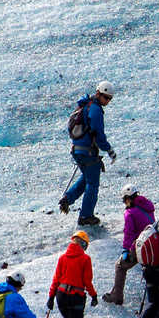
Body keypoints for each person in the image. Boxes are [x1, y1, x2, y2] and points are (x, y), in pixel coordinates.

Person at [60, 80, 116, 227]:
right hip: (88, 152)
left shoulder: (85, 106)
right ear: (98, 93)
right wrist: (108, 149)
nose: (107, 101)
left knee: (86, 178)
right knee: (93, 184)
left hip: (77, 150)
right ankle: (85, 216)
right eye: (106, 97)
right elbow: (98, 132)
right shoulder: (95, 109)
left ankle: (68, 198)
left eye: (110, 98)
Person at [107, 184, 154, 306]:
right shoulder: (147, 206)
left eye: (124, 200)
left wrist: (125, 250)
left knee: (120, 266)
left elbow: (129, 233)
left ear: (128, 199)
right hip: (152, 244)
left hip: (139, 246)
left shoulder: (130, 213)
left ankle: (116, 296)